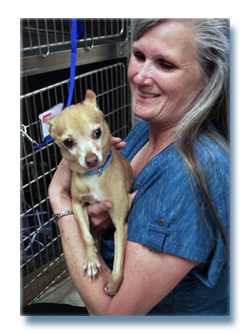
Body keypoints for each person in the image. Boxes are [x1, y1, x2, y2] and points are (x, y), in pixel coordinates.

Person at [21, 18, 230, 316]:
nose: (140, 77)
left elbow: (111, 315)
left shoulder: (190, 173)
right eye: (140, 56)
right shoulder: (145, 132)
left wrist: (59, 197)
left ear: (209, 77)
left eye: (166, 65)